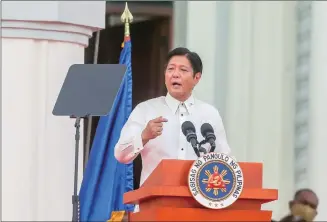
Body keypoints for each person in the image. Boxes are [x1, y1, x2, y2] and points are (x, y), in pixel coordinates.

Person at [114, 47, 231, 187]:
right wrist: (144, 136)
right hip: (154, 204)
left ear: (196, 78)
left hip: (197, 204)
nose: (175, 74)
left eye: (183, 70)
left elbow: (225, 160)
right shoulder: (145, 110)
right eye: (171, 69)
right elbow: (120, 154)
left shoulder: (209, 113)